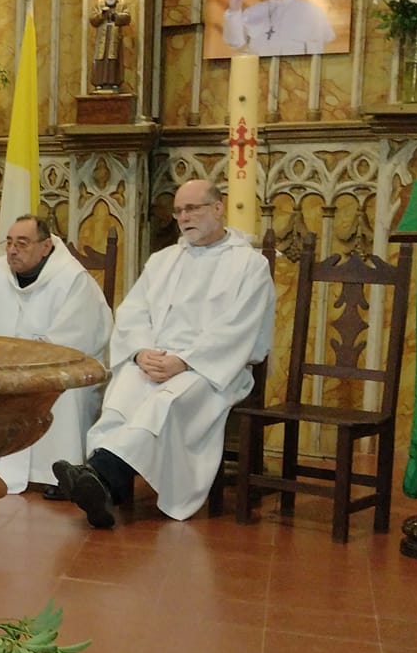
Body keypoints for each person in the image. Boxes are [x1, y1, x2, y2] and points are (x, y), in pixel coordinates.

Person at [54, 180, 276, 527]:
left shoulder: (249, 264)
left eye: (192, 209)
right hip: (156, 359)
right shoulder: (163, 260)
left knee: (166, 403)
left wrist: (184, 361)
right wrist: (140, 352)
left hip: (211, 370)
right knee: (124, 393)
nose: (184, 217)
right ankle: (103, 482)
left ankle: (100, 475)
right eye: (178, 211)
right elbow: (134, 311)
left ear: (218, 208)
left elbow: (238, 328)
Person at [0, 215, 115, 494]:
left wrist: (30, 356)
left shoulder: (72, 278)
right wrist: (1, 348)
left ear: (45, 246)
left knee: (63, 392)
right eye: (9, 243)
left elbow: (79, 336)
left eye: (22, 243)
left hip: (53, 365)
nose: (12, 250)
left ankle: (58, 474)